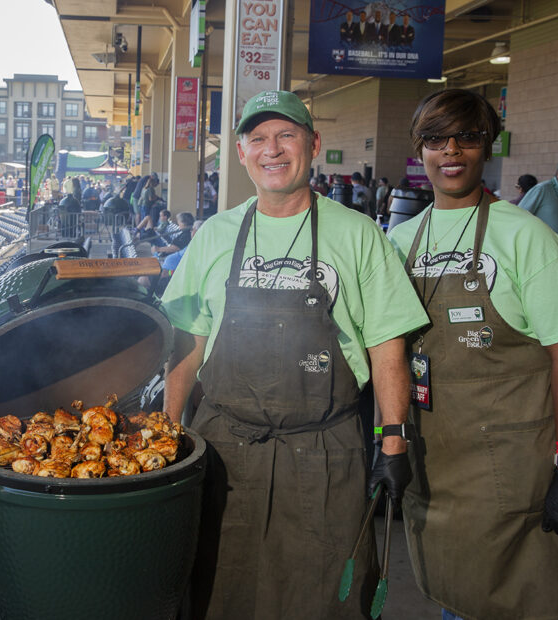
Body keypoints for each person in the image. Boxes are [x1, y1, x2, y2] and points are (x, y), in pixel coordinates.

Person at [161, 90, 428, 618]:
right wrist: (168, 435)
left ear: (313, 143)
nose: (272, 149)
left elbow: (387, 347)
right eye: (258, 138)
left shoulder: (358, 236)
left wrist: (393, 440)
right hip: (224, 452)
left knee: (323, 600)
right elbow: (187, 348)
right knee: (219, 595)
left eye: (287, 135)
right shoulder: (214, 236)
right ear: (241, 153)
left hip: (325, 455)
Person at [387, 88, 558, 620]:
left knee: (512, 600)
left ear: (487, 147)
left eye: (466, 138)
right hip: (439, 456)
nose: (451, 152)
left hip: (516, 458)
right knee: (455, 595)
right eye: (435, 140)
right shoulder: (402, 240)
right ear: (418, 149)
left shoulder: (528, 238)